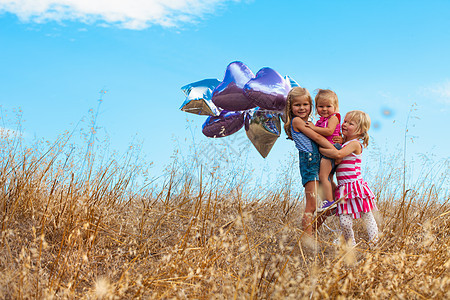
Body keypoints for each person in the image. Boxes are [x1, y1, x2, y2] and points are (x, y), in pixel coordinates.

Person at [320, 110, 378, 246]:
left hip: (355, 186)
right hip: (343, 189)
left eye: (350, 123)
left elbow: (339, 154)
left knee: (367, 216)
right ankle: (350, 245)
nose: (344, 124)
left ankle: (374, 243)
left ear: (360, 130)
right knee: (344, 222)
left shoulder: (355, 144)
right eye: (345, 121)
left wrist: (320, 150)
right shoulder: (345, 142)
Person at [284, 87, 337, 236]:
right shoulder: (297, 122)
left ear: (310, 106)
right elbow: (318, 138)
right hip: (309, 163)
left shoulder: (311, 122)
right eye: (297, 105)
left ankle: (310, 232)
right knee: (312, 205)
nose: (302, 108)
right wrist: (336, 152)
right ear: (290, 107)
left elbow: (325, 136)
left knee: (332, 205)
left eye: (305, 104)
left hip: (319, 162)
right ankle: (307, 239)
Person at [305, 89, 341, 211]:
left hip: (331, 148)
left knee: (323, 176)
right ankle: (337, 198)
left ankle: (330, 202)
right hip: (327, 149)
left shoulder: (334, 117)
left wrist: (313, 128)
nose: (324, 109)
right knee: (329, 177)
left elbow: (329, 131)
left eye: (328, 106)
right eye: (321, 106)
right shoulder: (320, 121)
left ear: (335, 107)